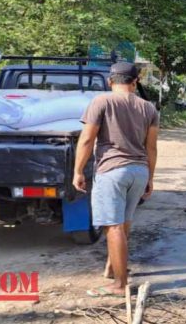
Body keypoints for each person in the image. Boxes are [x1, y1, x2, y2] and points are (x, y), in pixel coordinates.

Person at [73, 62, 159, 297]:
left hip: (112, 170)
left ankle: (121, 285)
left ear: (110, 81)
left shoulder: (101, 101)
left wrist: (78, 171)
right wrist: (150, 177)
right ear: (135, 82)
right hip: (139, 171)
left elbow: (87, 140)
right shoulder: (149, 107)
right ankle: (113, 268)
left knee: (112, 227)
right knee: (124, 222)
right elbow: (151, 147)